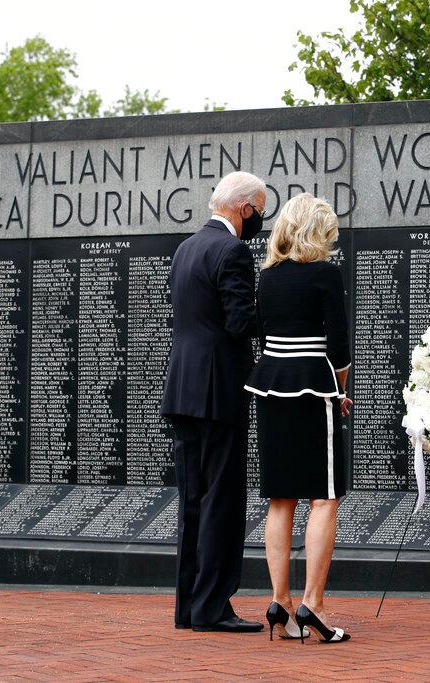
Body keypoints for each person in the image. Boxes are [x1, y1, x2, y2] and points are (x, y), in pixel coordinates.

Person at [160, 171, 267, 633]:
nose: (260, 218)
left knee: (192, 500)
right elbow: (240, 322)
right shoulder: (233, 251)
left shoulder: (186, 248)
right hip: (219, 392)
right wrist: (280, 308)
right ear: (244, 208)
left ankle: (188, 608)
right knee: (222, 500)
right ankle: (213, 608)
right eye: (259, 209)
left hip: (182, 389)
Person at [244, 193, 353, 644]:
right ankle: (313, 605)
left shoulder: (266, 278)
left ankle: (279, 603)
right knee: (323, 498)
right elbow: (338, 347)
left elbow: (265, 334)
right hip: (313, 389)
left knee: (279, 499)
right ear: (319, 231)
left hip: (269, 388)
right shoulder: (326, 275)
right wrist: (340, 390)